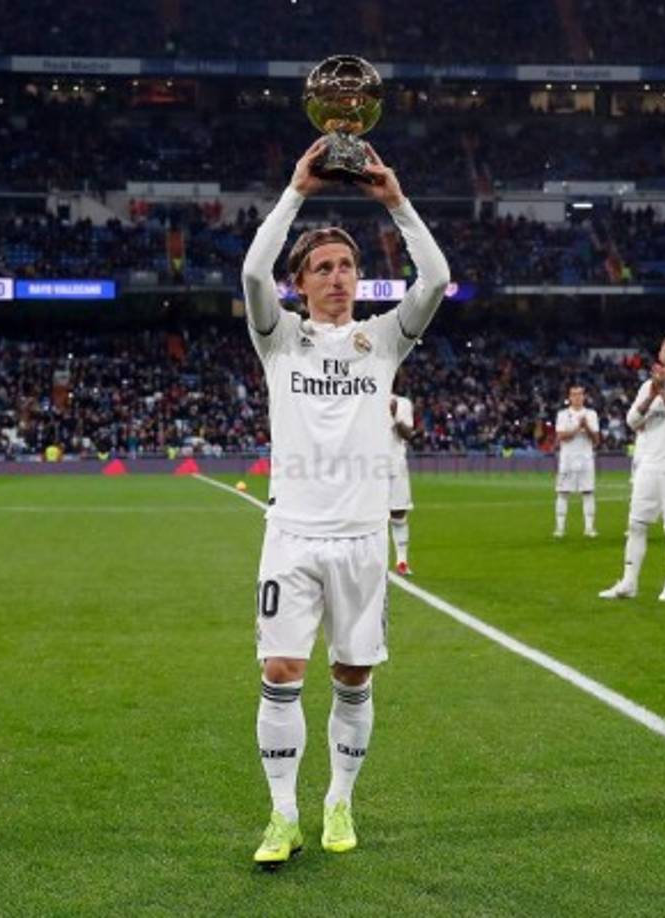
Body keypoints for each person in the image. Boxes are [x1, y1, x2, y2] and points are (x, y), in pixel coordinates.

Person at [241, 136, 450, 866]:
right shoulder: (280, 340)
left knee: (352, 677)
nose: (337, 276)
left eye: (347, 266)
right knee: (280, 674)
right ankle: (281, 813)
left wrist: (394, 201)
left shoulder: (382, 341)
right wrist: (296, 190)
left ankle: (339, 801)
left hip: (362, 538)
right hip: (292, 534)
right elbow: (248, 271)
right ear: (299, 282)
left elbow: (437, 277)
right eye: (322, 267)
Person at [599, 335, 665, 602]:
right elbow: (632, 421)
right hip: (649, 463)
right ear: (660, 355)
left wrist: (664, 391)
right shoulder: (647, 385)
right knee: (636, 525)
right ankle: (629, 583)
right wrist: (650, 396)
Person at [553, 384, 601, 538]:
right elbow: (560, 436)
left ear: (584, 396)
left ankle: (589, 528)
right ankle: (560, 528)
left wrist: (586, 426)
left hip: (586, 458)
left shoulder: (591, 414)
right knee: (562, 492)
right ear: (569, 397)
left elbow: (596, 440)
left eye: (580, 394)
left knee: (588, 492)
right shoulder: (562, 414)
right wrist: (576, 428)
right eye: (574, 394)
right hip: (567, 459)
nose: (577, 397)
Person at [389, 389, 415, 575]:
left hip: (395, 464)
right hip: (368, 466)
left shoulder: (403, 403)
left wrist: (394, 416)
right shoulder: (362, 398)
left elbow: (408, 435)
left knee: (398, 513)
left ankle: (402, 561)